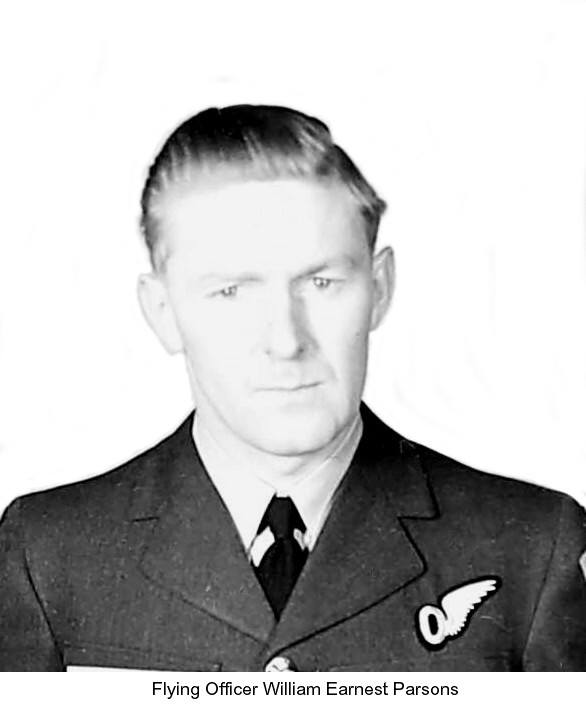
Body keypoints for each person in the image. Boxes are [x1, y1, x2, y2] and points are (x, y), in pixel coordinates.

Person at [0, 105, 584, 672]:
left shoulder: (533, 550)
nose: (285, 340)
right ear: (163, 312)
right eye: (231, 291)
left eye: (321, 282)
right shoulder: (47, 558)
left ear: (380, 288)